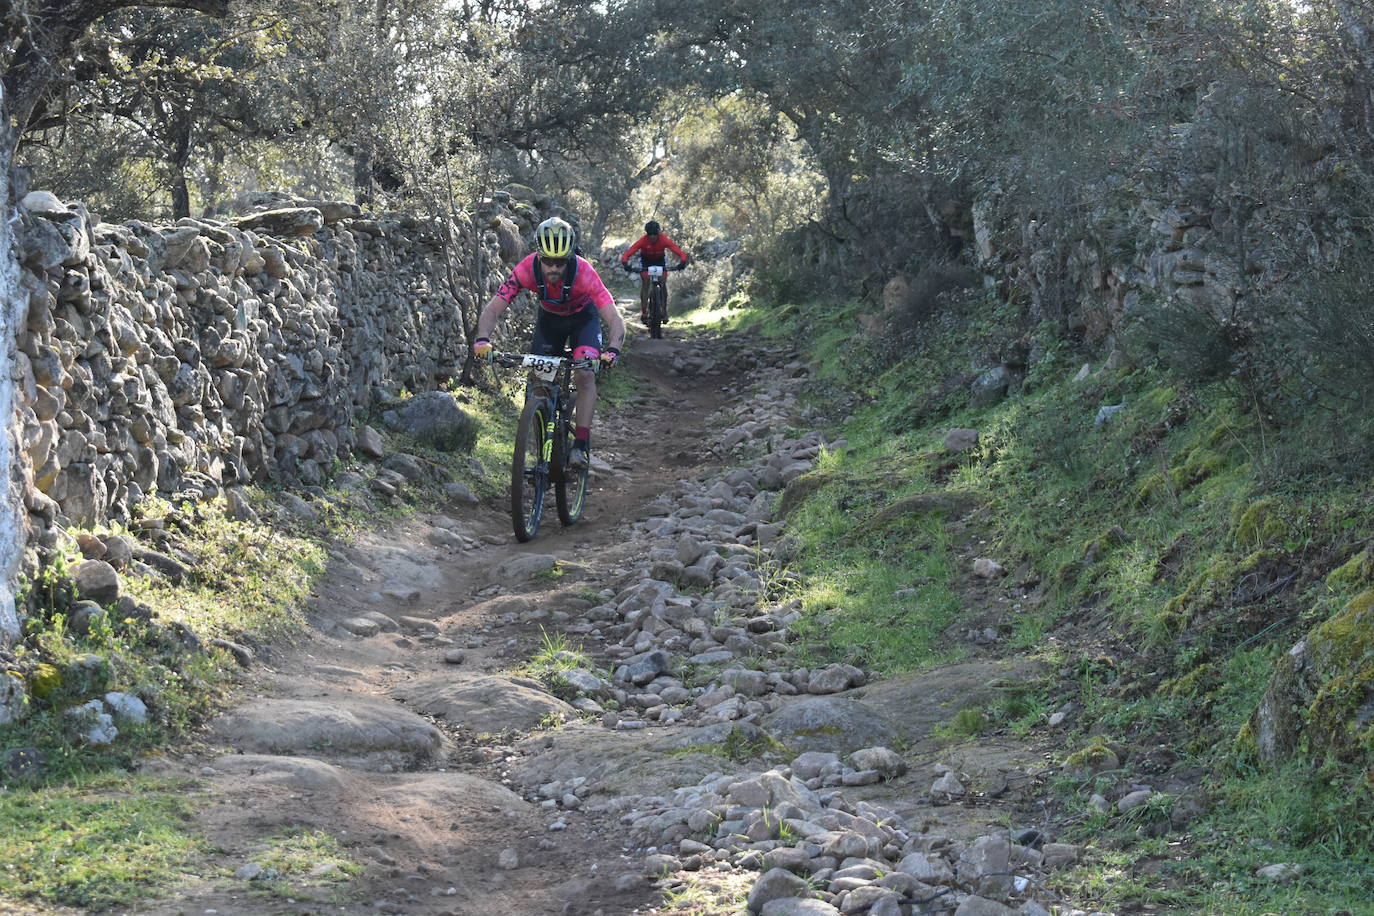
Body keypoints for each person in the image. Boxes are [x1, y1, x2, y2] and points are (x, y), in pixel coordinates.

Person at [472, 217, 625, 469]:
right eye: (548, 262)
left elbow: (613, 318)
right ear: (538, 256)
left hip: (583, 321)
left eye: (560, 262)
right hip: (549, 322)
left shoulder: (585, 272)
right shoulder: (526, 269)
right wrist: (482, 340)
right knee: (539, 384)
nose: (553, 268)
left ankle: (580, 447)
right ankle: (544, 445)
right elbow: (492, 310)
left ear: (570, 258)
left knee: (585, 375)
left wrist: (612, 350)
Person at [620, 220, 689, 323]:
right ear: (647, 234)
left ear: (658, 233)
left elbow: (679, 251)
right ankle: (644, 311)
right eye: (650, 234)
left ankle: (664, 312)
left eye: (655, 234)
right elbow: (628, 253)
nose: (652, 237)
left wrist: (682, 262)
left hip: (659, 261)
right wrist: (625, 264)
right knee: (646, 282)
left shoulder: (664, 239)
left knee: (663, 283)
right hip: (646, 262)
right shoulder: (643, 240)